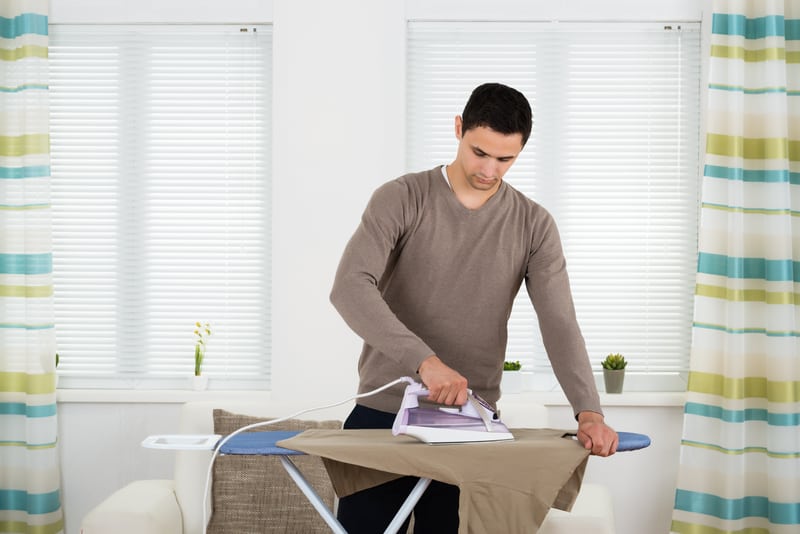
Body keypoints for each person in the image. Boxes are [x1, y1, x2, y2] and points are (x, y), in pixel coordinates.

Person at [329, 82, 618, 533]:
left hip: (471, 422)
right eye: (479, 152)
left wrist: (589, 411)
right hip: (383, 415)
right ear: (459, 128)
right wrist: (426, 364)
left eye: (505, 159)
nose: (489, 169)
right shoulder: (402, 198)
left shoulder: (534, 225)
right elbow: (349, 288)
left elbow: (559, 322)